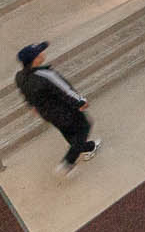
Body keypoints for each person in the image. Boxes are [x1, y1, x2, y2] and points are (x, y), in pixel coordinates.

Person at [13, 42, 100, 176]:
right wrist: (81, 102)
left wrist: (32, 106)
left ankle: (89, 148)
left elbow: (25, 94)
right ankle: (68, 162)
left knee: (69, 133)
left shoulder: (19, 76)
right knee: (84, 127)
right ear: (36, 59)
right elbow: (65, 90)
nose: (43, 53)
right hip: (66, 111)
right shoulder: (46, 74)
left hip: (48, 113)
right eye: (39, 52)